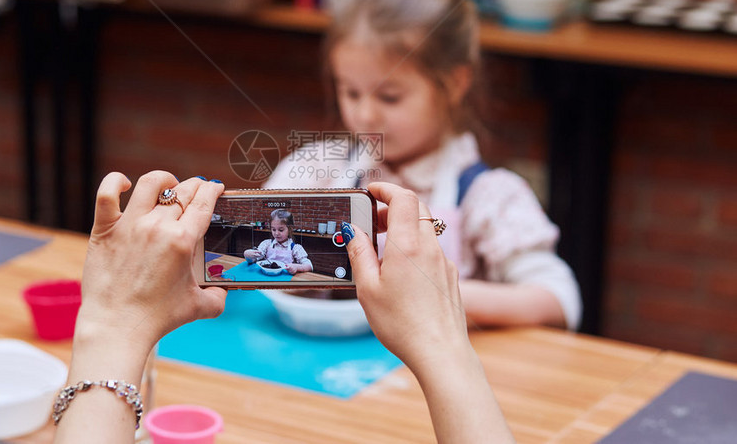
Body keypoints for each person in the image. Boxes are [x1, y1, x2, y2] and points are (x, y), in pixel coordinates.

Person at [53, 172, 515, 444]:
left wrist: (111, 325)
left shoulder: (295, 249)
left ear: (286, 230)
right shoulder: (266, 245)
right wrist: (446, 345)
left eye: (279, 230)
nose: (275, 235)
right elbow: (255, 260)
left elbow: (305, 264)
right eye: (271, 229)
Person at [264, 0, 582, 330]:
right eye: (350, 92)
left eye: (389, 96)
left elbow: (559, 299)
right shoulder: (321, 170)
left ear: (454, 83)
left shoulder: (487, 196)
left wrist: (438, 292)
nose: (365, 114)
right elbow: (254, 249)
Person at [244, 208, 312, 275]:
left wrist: (297, 267)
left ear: (290, 229)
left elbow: (309, 266)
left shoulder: (295, 248)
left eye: (281, 230)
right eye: (273, 229)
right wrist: (248, 255)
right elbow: (254, 259)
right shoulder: (266, 244)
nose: (276, 233)